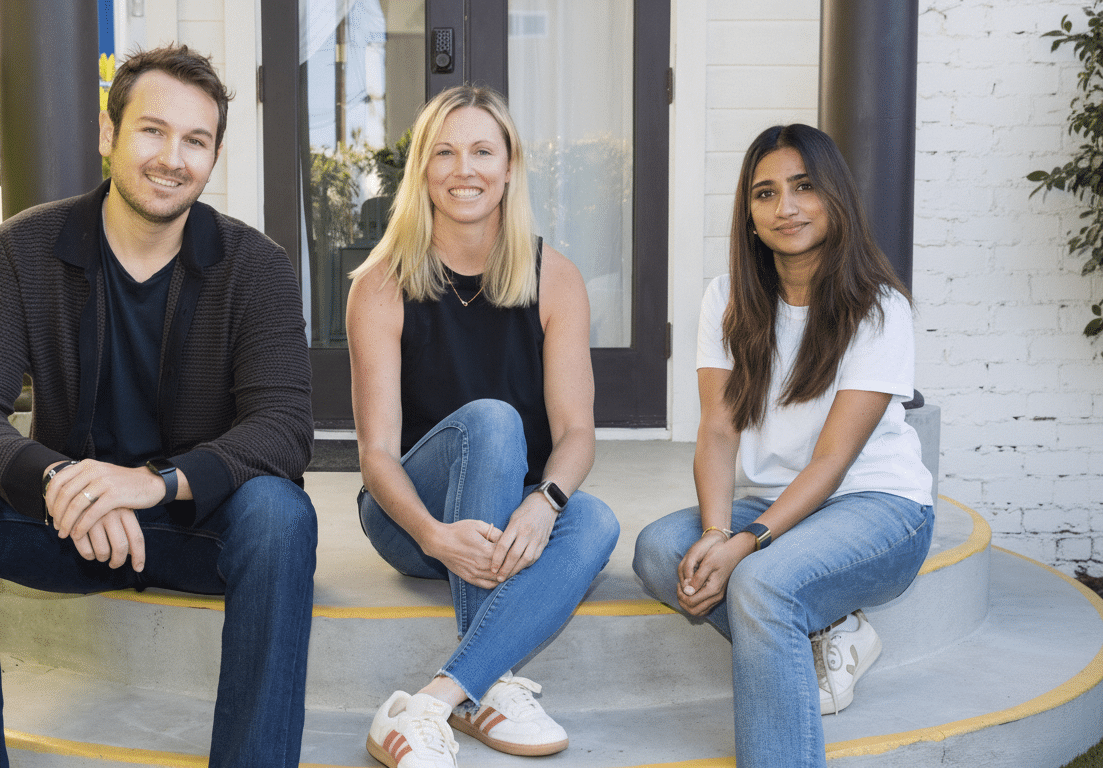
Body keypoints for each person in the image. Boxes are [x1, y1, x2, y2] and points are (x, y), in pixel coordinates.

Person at [0, 45, 317, 768]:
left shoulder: (258, 265)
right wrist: (60, 482)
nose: (172, 158)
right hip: (67, 524)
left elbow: (283, 429)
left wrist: (153, 482)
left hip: (191, 527)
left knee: (280, 514)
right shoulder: (22, 250)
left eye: (196, 140)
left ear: (213, 157)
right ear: (108, 134)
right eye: (152, 130)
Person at [632, 123, 935, 767]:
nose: (786, 208)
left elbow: (832, 460)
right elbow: (717, 429)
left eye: (803, 187)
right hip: (779, 506)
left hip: (879, 509)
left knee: (761, 585)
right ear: (748, 214)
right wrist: (717, 532)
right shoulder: (729, 298)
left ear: (835, 196)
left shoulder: (879, 309)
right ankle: (829, 629)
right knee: (664, 550)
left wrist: (749, 542)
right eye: (765, 194)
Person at [346, 84, 620, 768]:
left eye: (480, 151)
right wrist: (435, 536)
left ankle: (437, 700)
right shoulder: (381, 284)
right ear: (422, 170)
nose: (463, 169)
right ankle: (488, 689)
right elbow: (376, 454)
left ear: (509, 167)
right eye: (443, 152)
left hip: (508, 518)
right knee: (493, 422)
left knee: (596, 523)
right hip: (411, 519)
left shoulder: (555, 279)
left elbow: (577, 433)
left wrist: (544, 501)